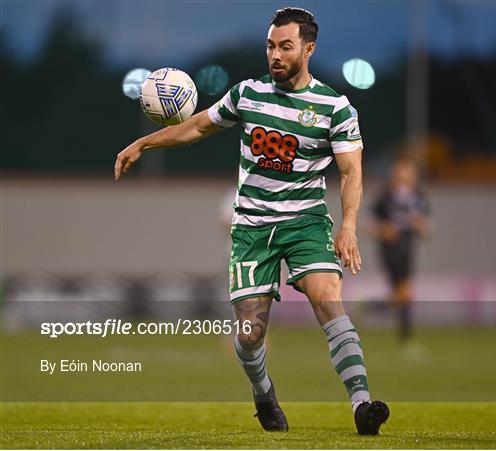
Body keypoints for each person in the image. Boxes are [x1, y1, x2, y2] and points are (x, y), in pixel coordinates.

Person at [115, 7, 389, 435]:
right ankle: (263, 394)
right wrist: (142, 143)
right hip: (252, 229)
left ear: (308, 49)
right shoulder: (247, 94)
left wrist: (348, 225)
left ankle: (362, 404)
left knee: (328, 301)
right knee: (248, 335)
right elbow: (197, 127)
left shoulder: (335, 106)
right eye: (270, 46)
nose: (275, 55)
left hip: (305, 223)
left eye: (285, 46)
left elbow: (351, 171)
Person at [369, 154, 431, 342]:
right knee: (403, 290)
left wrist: (419, 225)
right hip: (389, 247)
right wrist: (383, 230)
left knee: (403, 291)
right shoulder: (385, 196)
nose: (405, 174)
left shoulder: (418, 195)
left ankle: (379, 309)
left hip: (407, 245)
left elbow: (427, 227)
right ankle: (403, 335)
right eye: (401, 169)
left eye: (408, 170)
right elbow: (369, 223)